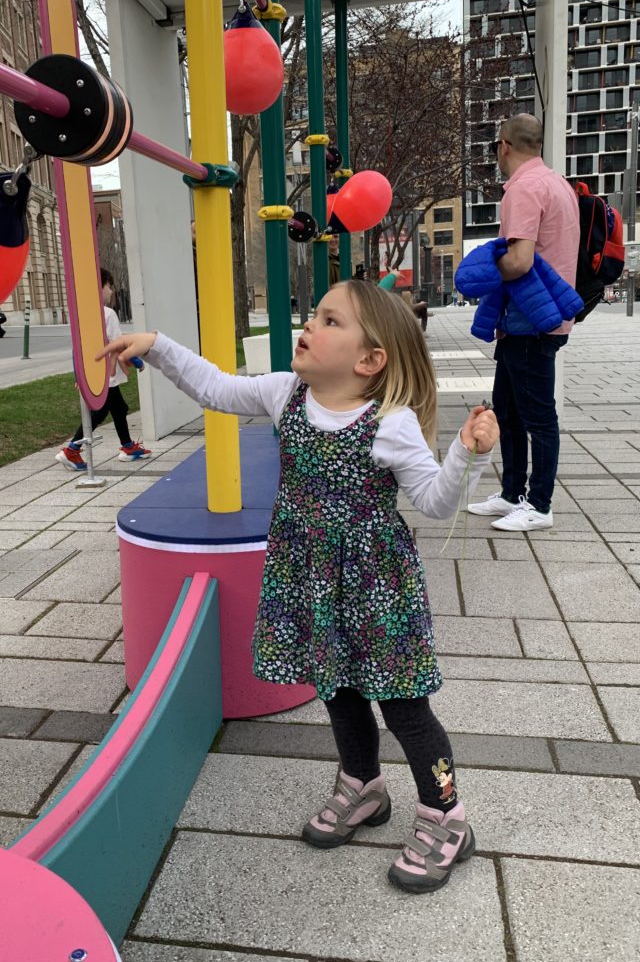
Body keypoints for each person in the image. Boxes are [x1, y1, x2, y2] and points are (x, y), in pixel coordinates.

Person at [99, 280, 499, 894]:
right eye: (315, 314)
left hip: (377, 589)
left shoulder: (389, 424)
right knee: (336, 688)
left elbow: (435, 502)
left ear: (369, 360)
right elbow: (216, 387)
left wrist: (468, 455)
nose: (309, 324)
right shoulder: (287, 393)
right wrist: (156, 345)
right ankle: (363, 784)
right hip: (310, 578)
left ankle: (446, 813)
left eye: (331, 320)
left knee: (404, 704)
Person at [468, 113, 579, 532]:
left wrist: (482, 269)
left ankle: (539, 505)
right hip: (539, 317)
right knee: (509, 411)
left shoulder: (523, 189)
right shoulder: (557, 184)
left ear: (504, 145)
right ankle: (512, 493)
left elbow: (519, 261)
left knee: (537, 417)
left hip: (529, 320)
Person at [55, 271, 150, 471]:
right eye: (109, 286)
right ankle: (72, 449)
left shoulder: (82, 314)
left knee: (119, 407)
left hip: (95, 371)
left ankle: (127, 446)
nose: (112, 291)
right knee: (100, 411)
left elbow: (77, 348)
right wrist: (136, 361)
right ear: (100, 287)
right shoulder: (107, 313)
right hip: (108, 371)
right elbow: (118, 343)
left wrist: (79, 374)